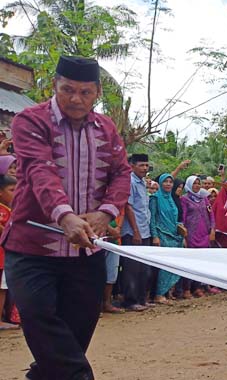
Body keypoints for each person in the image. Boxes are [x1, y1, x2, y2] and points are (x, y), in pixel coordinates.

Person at [2, 56, 131, 380]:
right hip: (31, 249)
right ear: (54, 86)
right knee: (46, 328)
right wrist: (65, 217)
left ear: (97, 92)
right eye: (68, 90)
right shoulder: (30, 121)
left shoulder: (107, 128)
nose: (76, 99)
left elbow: (121, 173)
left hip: (87, 254)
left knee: (66, 347)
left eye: (85, 92)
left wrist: (106, 212)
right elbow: (39, 171)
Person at [120, 153, 153, 312]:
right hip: (133, 232)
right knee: (131, 268)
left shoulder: (142, 183)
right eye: (141, 165)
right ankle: (130, 301)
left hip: (144, 230)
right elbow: (128, 207)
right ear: (132, 166)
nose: (145, 168)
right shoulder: (130, 182)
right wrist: (135, 231)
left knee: (144, 269)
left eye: (146, 165)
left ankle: (141, 299)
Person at [150, 174, 184, 304]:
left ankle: (167, 292)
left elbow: (175, 218)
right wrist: (155, 236)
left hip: (174, 235)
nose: (168, 184)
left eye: (171, 182)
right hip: (161, 234)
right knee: (165, 265)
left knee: (173, 264)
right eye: (165, 182)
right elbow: (152, 218)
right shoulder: (154, 198)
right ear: (160, 183)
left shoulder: (171, 199)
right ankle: (158, 294)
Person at [181, 175, 216, 297]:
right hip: (191, 235)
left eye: (198, 183)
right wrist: (184, 235)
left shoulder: (204, 198)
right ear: (189, 185)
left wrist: (212, 230)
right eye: (194, 183)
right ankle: (186, 289)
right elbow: (183, 217)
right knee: (190, 261)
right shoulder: (184, 199)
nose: (197, 186)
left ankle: (198, 287)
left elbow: (211, 215)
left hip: (204, 234)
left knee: (202, 261)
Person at [0, 174, 17, 330]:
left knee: (5, 288)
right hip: (2, 255)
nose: (15, 193)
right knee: (2, 289)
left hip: (5, 255)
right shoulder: (3, 210)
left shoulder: (10, 209)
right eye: (12, 190)